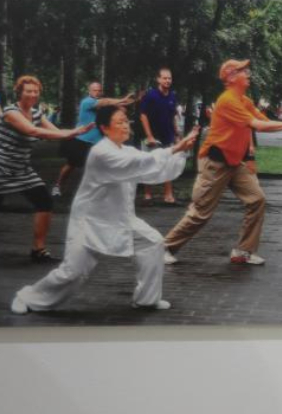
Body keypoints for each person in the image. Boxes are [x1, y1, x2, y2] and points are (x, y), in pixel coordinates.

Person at [11, 105, 199, 314]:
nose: (126, 125)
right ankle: (27, 297)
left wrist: (179, 152)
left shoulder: (127, 150)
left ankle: (147, 299)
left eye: (126, 121)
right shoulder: (101, 152)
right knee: (73, 272)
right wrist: (174, 149)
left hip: (122, 219)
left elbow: (151, 171)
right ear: (104, 127)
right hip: (90, 222)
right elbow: (139, 162)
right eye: (119, 122)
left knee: (153, 243)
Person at [163, 58, 282, 266]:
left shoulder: (244, 100)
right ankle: (165, 247)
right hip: (215, 163)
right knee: (201, 213)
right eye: (243, 71)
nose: (248, 74)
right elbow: (256, 125)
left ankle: (243, 251)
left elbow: (264, 121)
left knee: (256, 200)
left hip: (233, 162)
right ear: (231, 77)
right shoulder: (227, 100)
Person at [0, 76, 93, 262]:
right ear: (20, 92)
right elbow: (33, 131)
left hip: (21, 169)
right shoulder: (11, 112)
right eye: (28, 91)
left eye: (36, 91)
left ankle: (38, 249)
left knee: (45, 202)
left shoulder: (36, 114)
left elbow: (55, 133)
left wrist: (75, 134)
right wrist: (72, 133)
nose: (33, 94)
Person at [53, 81, 135, 197]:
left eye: (99, 90)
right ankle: (57, 186)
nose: (97, 92)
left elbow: (120, 110)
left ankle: (104, 191)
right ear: (89, 91)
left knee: (104, 165)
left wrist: (124, 104)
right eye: (94, 90)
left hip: (98, 142)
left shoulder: (102, 106)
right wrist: (122, 100)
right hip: (81, 140)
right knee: (71, 165)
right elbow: (105, 101)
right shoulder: (87, 102)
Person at [139, 67, 182, 204]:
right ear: (158, 79)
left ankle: (168, 196)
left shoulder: (172, 96)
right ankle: (147, 196)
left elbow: (173, 116)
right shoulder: (151, 95)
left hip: (167, 136)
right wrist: (149, 136)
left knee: (168, 165)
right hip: (151, 137)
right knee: (149, 164)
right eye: (164, 78)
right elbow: (143, 115)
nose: (167, 80)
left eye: (169, 78)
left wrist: (176, 134)